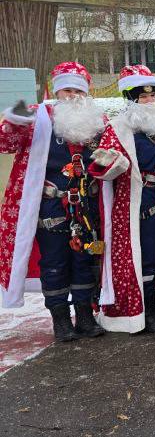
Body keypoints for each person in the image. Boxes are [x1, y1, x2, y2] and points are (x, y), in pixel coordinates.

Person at [0, 62, 108, 341]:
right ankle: (60, 320)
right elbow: (5, 142)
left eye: (78, 91)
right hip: (51, 207)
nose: (72, 96)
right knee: (55, 263)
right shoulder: (39, 118)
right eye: (67, 90)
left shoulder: (98, 121)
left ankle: (85, 315)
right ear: (57, 91)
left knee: (84, 260)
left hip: (86, 206)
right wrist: (13, 119)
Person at [92, 64, 155, 334]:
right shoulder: (119, 128)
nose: (150, 101)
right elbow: (106, 168)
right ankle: (141, 308)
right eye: (143, 97)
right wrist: (109, 162)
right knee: (142, 253)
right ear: (131, 99)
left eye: (153, 96)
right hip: (136, 200)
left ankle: (153, 304)